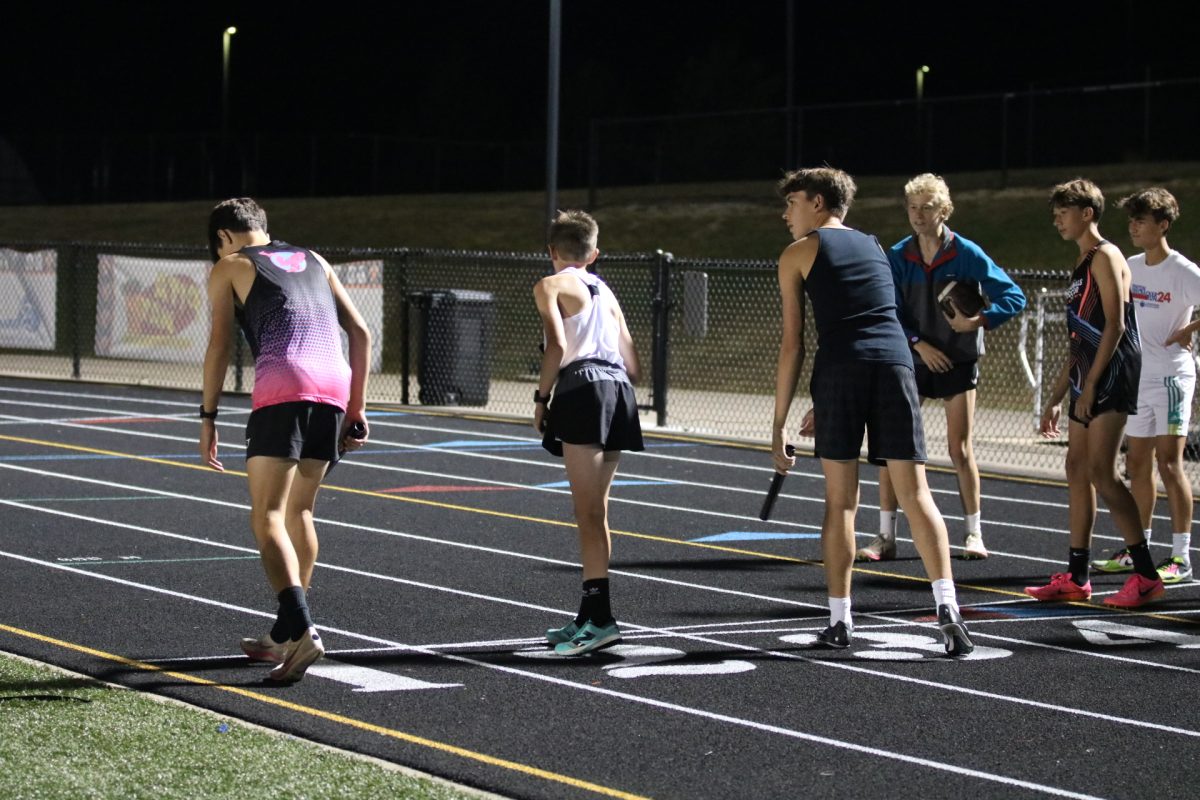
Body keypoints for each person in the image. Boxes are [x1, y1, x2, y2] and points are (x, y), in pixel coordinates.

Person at [771, 166, 973, 656]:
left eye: (792, 202)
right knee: (916, 492)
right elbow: (874, 316)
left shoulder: (799, 252)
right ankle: (947, 605)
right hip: (895, 365)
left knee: (841, 502)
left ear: (818, 203)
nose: (786, 214)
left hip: (842, 367)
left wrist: (779, 424)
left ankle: (840, 620)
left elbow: (794, 345)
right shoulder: (876, 247)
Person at [200, 197, 371, 683]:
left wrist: (207, 416)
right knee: (300, 511)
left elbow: (218, 346)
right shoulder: (314, 258)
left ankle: (301, 630)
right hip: (334, 386)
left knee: (268, 514)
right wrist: (356, 406)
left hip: (283, 384)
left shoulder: (229, 266)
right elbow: (359, 332)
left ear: (224, 238)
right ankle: (283, 632)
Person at [857, 173, 1026, 563]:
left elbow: (1013, 296)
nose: (918, 215)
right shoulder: (898, 255)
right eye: (912, 207)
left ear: (944, 210)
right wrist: (919, 344)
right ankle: (885, 536)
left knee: (959, 449)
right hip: (913, 360)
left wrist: (979, 321)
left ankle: (973, 534)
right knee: (892, 449)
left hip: (958, 360)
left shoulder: (966, 253)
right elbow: (888, 311)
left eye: (927, 207)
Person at [1027, 179, 1166, 608]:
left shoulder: (1107, 255)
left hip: (1111, 374)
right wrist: (1055, 396)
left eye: (1063, 212)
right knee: (1076, 467)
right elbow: (1078, 338)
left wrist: (1089, 387)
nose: (1057, 220)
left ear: (1087, 212)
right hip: (1087, 374)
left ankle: (1145, 575)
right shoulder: (1080, 263)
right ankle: (1077, 575)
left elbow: (1116, 326)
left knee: (1104, 474)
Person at [534, 209, 643, 656]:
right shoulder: (607, 291)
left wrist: (542, 399)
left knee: (586, 513)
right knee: (596, 511)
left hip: (583, 389)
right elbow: (633, 363)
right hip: (620, 392)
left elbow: (558, 346)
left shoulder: (550, 284)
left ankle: (601, 619)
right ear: (594, 253)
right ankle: (590, 612)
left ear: (552, 252)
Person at [1089, 188, 1197, 584]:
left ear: (1163, 225)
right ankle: (1140, 548)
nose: (1133, 227)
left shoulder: (1182, 271)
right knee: (1136, 465)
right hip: (1138, 378)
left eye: (1141, 220)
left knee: (1169, 464)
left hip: (1171, 377)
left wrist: (1189, 327)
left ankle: (1181, 557)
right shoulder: (1130, 265)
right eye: (1131, 220)